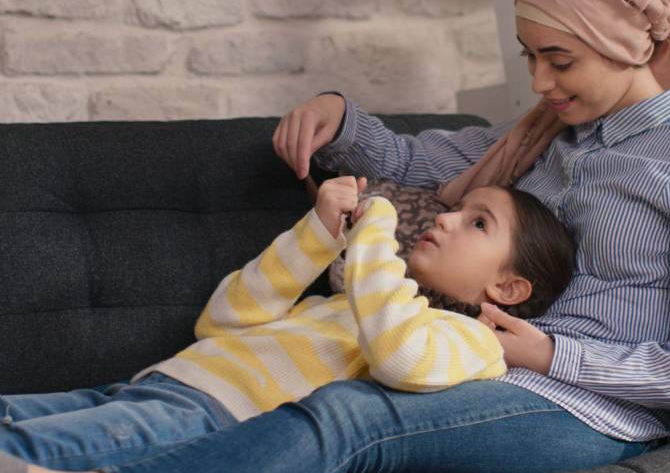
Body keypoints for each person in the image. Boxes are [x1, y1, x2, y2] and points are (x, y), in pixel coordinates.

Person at [17, 0, 670, 473]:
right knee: (261, 388)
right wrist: (338, 115)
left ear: (625, 45)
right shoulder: (542, 137)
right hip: (482, 367)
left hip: (595, 410)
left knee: (349, 416)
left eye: (559, 59)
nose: (539, 82)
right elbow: (412, 159)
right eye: (530, 56)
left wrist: (549, 350)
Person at [0, 174, 574, 473]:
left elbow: (400, 357)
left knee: (31, 449)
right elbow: (222, 320)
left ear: (508, 288)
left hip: (211, 417)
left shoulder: (470, 340)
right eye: (457, 208)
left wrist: (377, 231)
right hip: (154, 385)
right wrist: (317, 236)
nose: (447, 220)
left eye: (478, 224)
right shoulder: (346, 298)